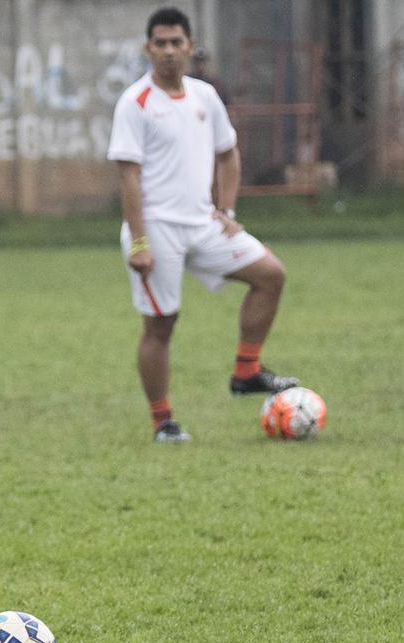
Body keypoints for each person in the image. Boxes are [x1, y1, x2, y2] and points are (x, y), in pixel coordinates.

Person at [107, 7, 299, 443]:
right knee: (161, 325)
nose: (170, 51)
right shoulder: (135, 103)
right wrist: (139, 241)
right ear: (148, 48)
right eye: (161, 43)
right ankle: (164, 422)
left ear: (191, 48)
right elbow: (128, 176)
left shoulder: (204, 97)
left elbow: (227, 153)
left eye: (177, 42)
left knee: (270, 275)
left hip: (203, 223)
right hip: (156, 228)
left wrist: (226, 212)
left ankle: (246, 371)